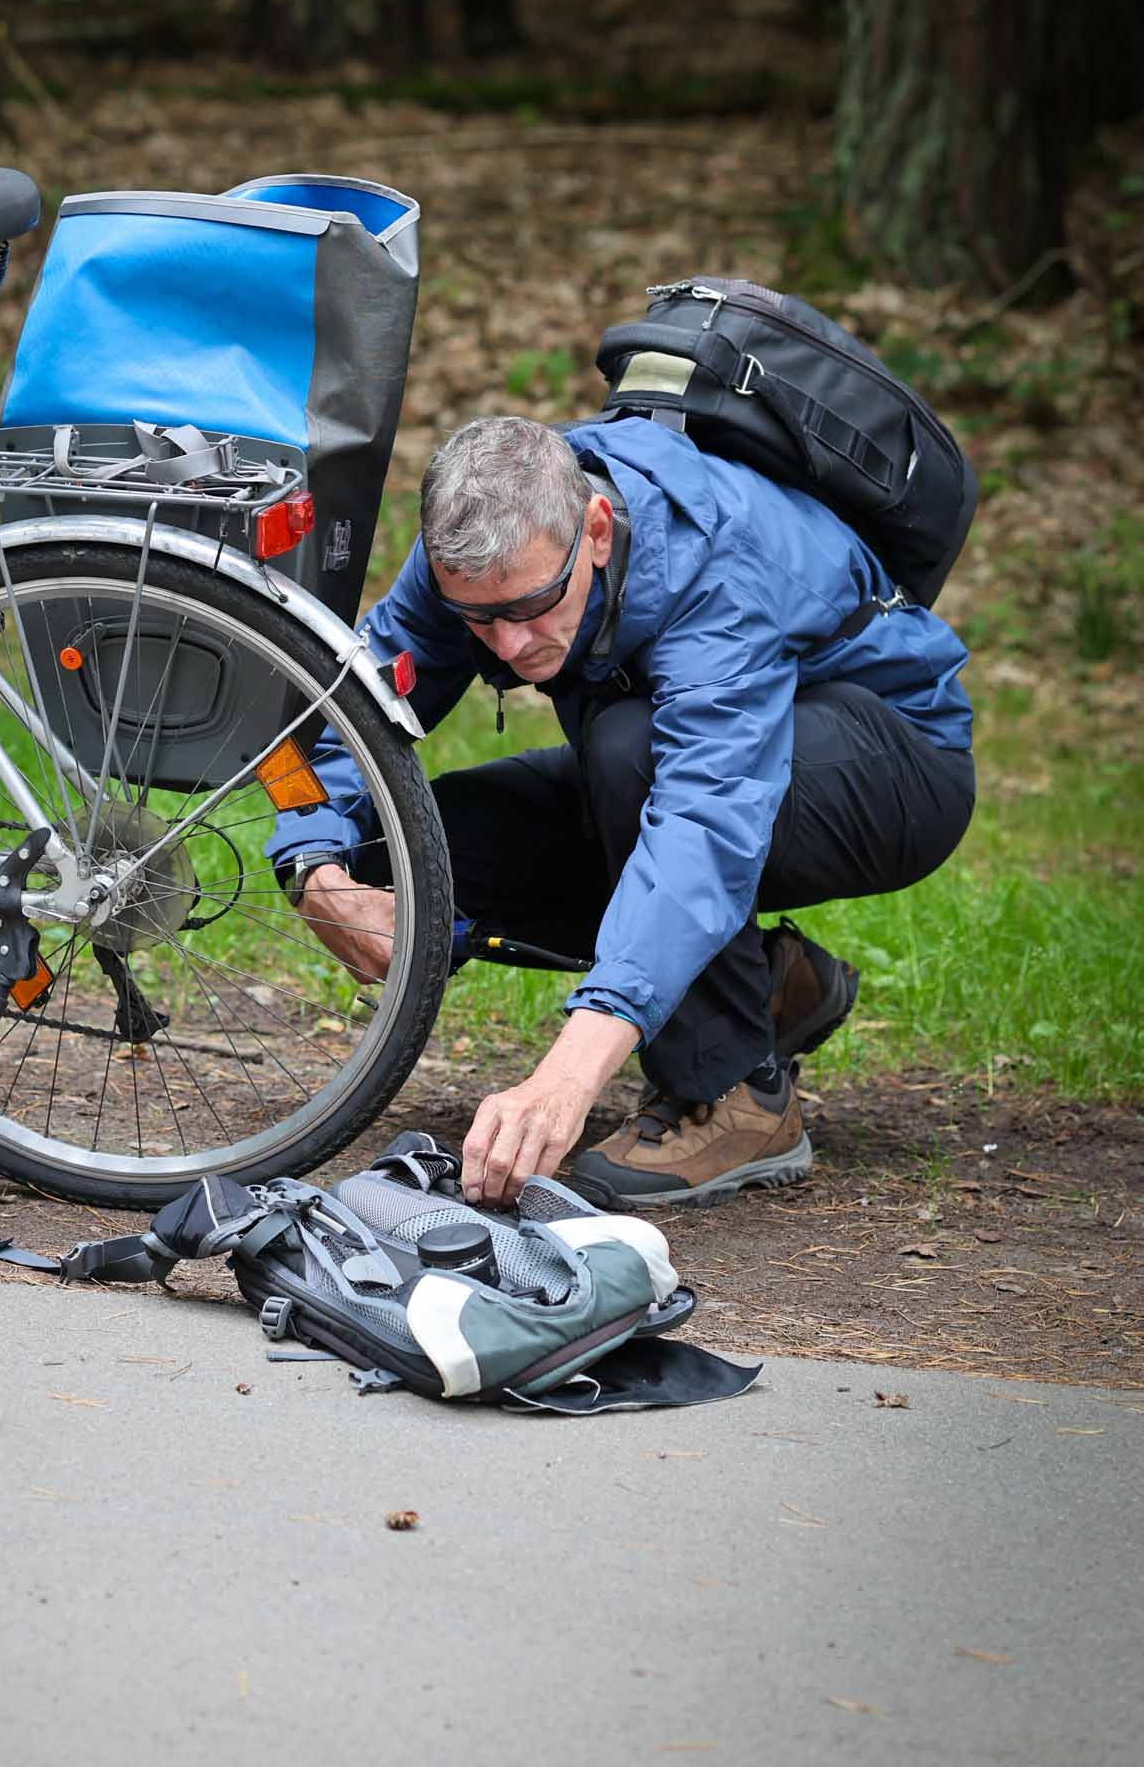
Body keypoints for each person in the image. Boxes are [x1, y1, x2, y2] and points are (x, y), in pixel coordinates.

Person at [271, 413, 975, 1211]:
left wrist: (570, 1073)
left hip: (892, 770)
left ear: (597, 531)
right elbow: (335, 715)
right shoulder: (474, 548)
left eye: (532, 605)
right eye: (479, 619)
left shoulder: (717, 569)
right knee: (395, 851)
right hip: (678, 767)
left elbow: (701, 831)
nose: (509, 645)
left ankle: (733, 1095)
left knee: (627, 751)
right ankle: (773, 985)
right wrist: (311, 866)